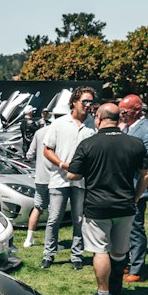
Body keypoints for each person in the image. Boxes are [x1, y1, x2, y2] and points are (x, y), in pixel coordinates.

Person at [66, 101, 148, 295]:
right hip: (125, 205)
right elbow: (147, 173)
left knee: (100, 250)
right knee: (120, 251)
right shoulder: (135, 143)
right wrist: (136, 196)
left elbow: (72, 175)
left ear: (99, 119)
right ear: (119, 118)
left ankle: (103, 293)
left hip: (97, 206)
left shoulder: (88, 143)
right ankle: (116, 288)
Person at [40, 86, 97, 270]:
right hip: (59, 178)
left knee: (79, 219)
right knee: (54, 218)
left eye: (91, 102)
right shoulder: (59, 123)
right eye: (85, 101)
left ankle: (76, 256)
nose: (88, 105)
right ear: (74, 102)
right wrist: (63, 164)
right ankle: (48, 254)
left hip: (81, 180)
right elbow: (47, 149)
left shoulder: (93, 125)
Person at [118, 94, 148, 283]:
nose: (121, 115)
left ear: (137, 110)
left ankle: (137, 267)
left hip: (137, 188)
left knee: (136, 228)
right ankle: (127, 262)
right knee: (125, 229)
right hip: (123, 186)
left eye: (124, 111)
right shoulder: (127, 128)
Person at [21, 119, 53, 248]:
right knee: (54, 211)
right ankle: (51, 241)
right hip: (55, 177)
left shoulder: (39, 132)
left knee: (38, 207)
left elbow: (30, 154)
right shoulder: (59, 131)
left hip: (40, 176)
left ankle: (29, 239)